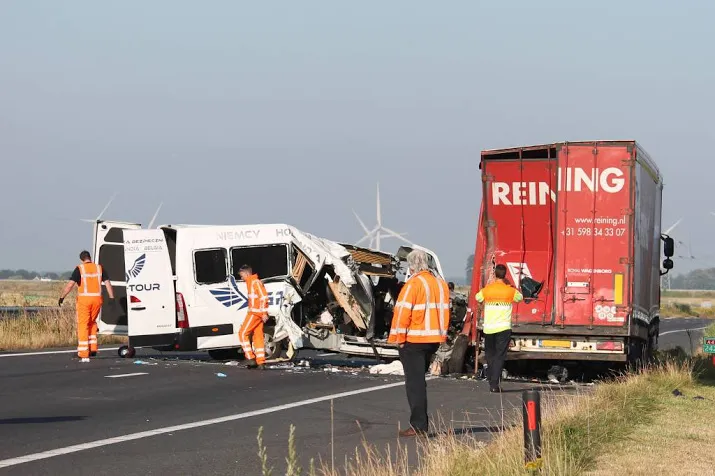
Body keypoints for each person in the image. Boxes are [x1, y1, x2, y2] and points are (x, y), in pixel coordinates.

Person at [388, 249, 450, 437]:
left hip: (414, 340)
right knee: (419, 382)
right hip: (433, 340)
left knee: (415, 384)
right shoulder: (441, 285)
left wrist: (398, 339)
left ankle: (419, 425)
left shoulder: (413, 284)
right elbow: (446, 312)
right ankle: (419, 424)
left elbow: (402, 313)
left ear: (412, 265)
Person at [58, 250, 115, 362]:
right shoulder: (99, 268)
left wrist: (62, 297)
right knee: (92, 323)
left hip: (84, 300)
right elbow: (108, 283)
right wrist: (112, 298)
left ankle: (83, 352)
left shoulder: (80, 269)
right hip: (97, 300)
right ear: (89, 257)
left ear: (81, 259)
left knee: (83, 325)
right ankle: (92, 348)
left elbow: (70, 285)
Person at [475, 263, 523, 392]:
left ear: (495, 274)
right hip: (503, 327)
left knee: (490, 354)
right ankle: (494, 384)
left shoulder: (488, 289)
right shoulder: (510, 290)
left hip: (489, 327)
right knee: (499, 356)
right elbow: (520, 298)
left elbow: (477, 297)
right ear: (505, 275)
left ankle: (491, 378)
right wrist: (509, 286)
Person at [237, 265, 269, 369]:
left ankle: (250, 358)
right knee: (258, 337)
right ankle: (261, 362)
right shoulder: (252, 282)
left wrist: (264, 313)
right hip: (258, 314)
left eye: (242, 276)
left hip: (255, 313)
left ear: (247, 274)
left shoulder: (254, 282)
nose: (242, 278)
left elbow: (263, 297)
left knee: (242, 333)